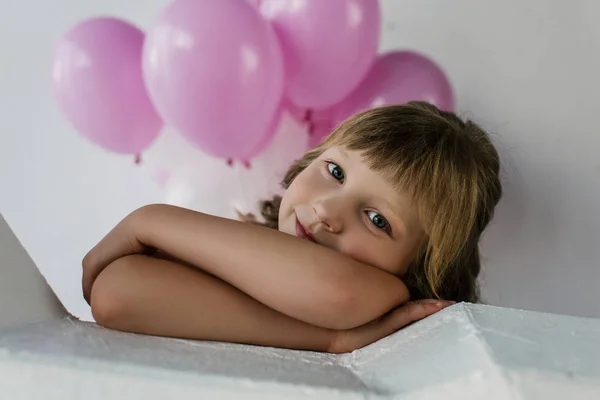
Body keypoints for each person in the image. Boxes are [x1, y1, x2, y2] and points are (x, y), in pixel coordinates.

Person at [81, 101, 502, 354]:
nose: (325, 210)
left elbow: (336, 290)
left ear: (421, 269)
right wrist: (327, 336)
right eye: (335, 171)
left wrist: (148, 220)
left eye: (378, 220)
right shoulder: (249, 245)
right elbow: (118, 293)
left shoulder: (391, 295)